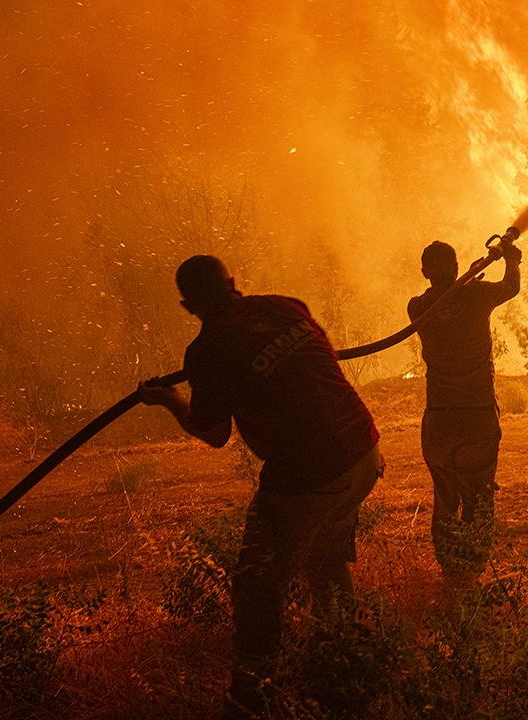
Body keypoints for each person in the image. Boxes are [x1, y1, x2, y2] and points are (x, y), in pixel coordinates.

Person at [138, 255, 383, 719]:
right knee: (325, 558)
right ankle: (349, 665)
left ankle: (251, 694)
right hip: (363, 451)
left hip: (309, 472)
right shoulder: (285, 306)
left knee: (257, 581)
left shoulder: (208, 350)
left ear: (188, 305)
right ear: (234, 282)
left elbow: (213, 433)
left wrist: (169, 398)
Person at [407, 238, 521, 587]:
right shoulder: (475, 295)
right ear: (456, 267)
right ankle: (471, 574)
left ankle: (449, 573)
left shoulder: (416, 308)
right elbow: (511, 287)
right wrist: (511, 260)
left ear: (425, 272)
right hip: (476, 416)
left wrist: (471, 276)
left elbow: (446, 302)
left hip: (439, 419)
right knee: (479, 494)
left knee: (446, 496)